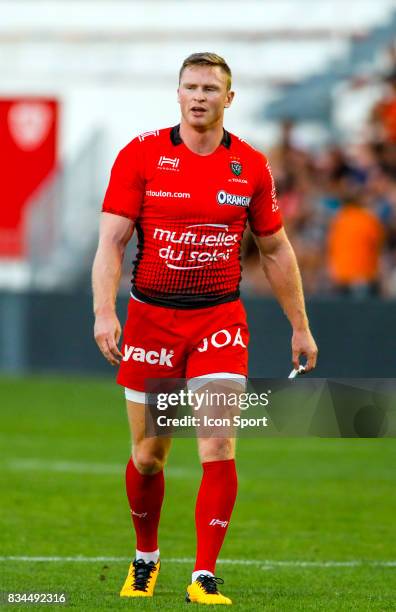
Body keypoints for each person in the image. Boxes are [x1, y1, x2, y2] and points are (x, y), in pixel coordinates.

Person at [92, 52, 318, 605]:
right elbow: (111, 244)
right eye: (190, 87)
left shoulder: (251, 166)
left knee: (217, 445)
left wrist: (300, 327)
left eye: (210, 89)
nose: (199, 96)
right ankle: (145, 559)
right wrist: (104, 310)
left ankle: (204, 576)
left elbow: (276, 250)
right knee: (149, 455)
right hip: (151, 320)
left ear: (228, 99)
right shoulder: (141, 155)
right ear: (178, 94)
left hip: (219, 320)